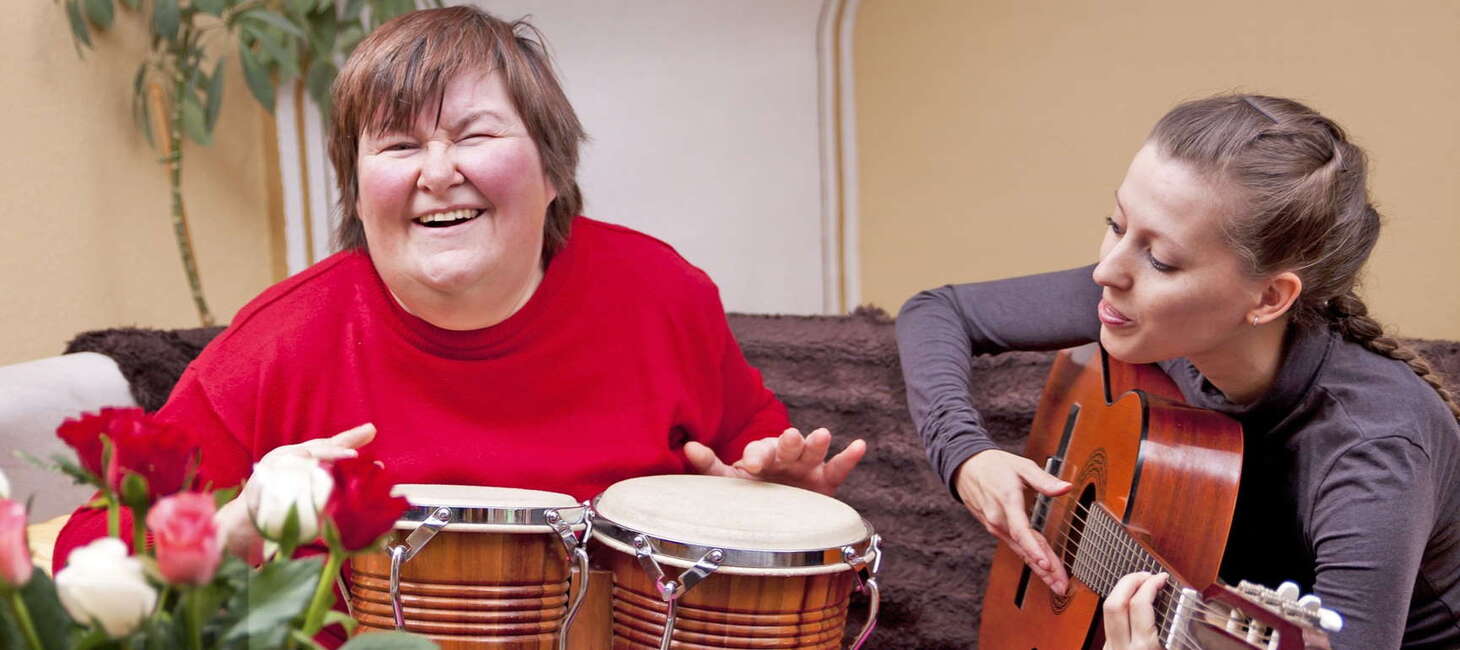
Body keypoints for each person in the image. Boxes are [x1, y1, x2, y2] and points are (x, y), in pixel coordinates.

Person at [52, 3, 864, 628]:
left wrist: (778, 501)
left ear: (551, 169)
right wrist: (237, 526)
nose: (437, 173)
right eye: (397, 146)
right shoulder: (280, 342)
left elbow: (751, 462)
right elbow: (86, 553)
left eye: (474, 133)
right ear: (359, 189)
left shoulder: (663, 293)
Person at [896, 94, 1459, 649]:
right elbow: (938, 312)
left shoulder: (1376, 453)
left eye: (1161, 260)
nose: (1107, 272)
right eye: (1116, 225)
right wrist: (966, 455)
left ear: (1268, 297)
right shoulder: (1146, 311)